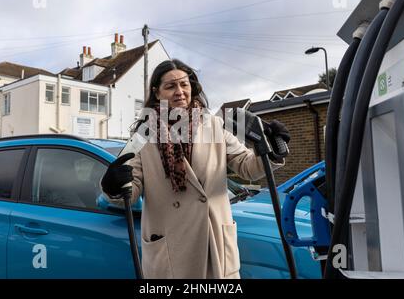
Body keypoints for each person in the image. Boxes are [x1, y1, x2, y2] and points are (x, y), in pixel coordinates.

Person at [101, 59, 290, 279]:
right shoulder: (143, 136)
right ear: (157, 92)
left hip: (215, 245)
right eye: (170, 86)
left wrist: (271, 150)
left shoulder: (216, 125)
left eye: (184, 84)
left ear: (192, 87)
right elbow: (128, 191)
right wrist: (113, 185)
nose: (179, 92)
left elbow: (247, 166)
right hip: (171, 251)